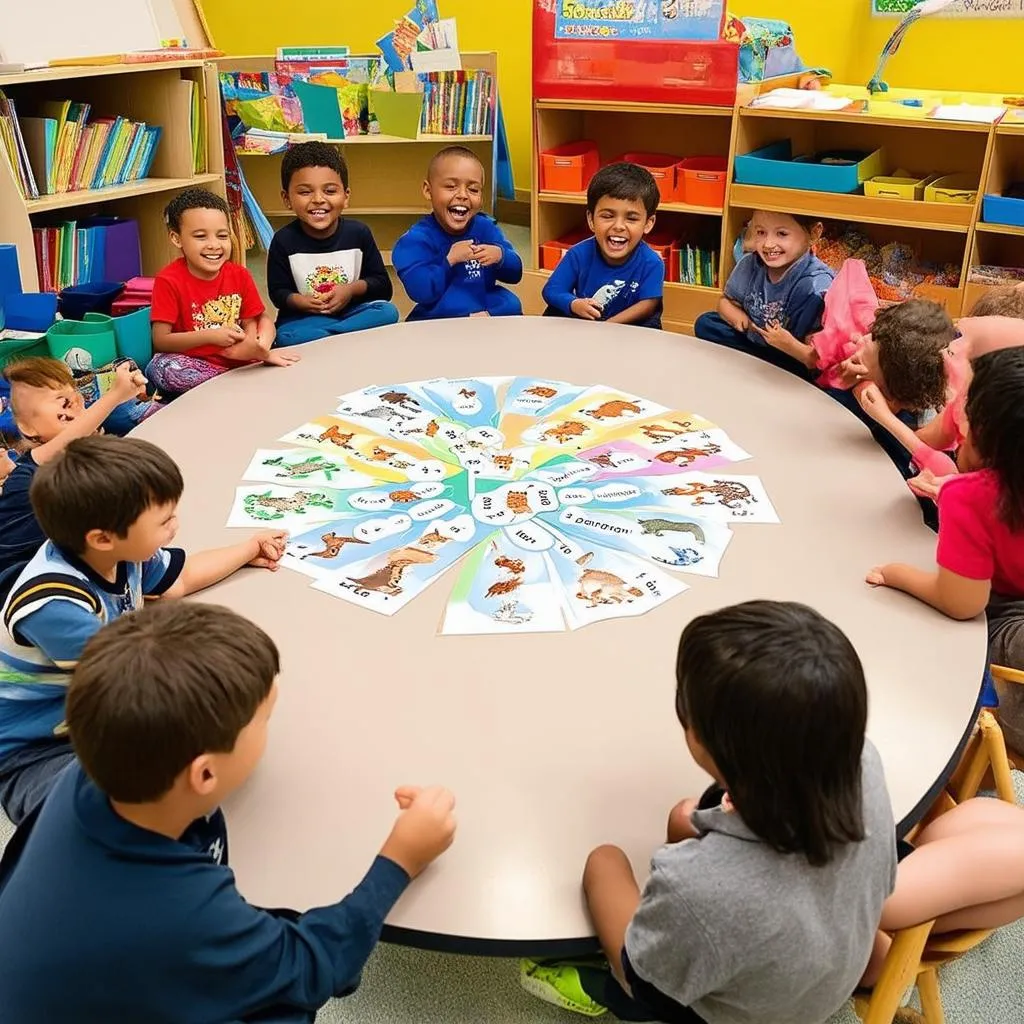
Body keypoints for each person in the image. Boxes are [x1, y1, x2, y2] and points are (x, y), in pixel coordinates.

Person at [0, 600, 458, 1023]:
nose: (270, 728)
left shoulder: (92, 773)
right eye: (263, 720)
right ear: (203, 774)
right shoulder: (181, 912)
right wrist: (402, 857)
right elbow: (317, 966)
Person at [522, 600, 897, 1024]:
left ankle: (604, 991)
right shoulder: (863, 759)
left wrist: (677, 912)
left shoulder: (700, 890)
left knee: (603, 861)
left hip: (741, 1009)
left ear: (698, 736)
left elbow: (652, 985)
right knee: (686, 816)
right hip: (829, 960)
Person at [0, 434, 286, 825]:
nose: (176, 526)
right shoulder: (54, 604)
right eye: (164, 520)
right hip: (36, 752)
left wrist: (250, 548)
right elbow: (133, 685)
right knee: (100, 816)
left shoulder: (119, 553)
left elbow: (180, 578)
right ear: (102, 537)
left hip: (99, 714)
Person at [868, 347, 1024, 755]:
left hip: (1007, 615)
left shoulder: (970, 496)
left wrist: (896, 573)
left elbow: (961, 602)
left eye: (967, 413)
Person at [0, 360, 148, 599]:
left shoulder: (88, 461)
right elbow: (65, 442)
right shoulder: (25, 476)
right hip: (22, 593)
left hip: (76, 574)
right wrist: (114, 395)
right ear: (27, 427)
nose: (76, 407)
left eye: (77, 400)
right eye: (63, 402)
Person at [147, 187, 299, 396]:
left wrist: (255, 347)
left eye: (222, 236)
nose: (214, 245)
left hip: (240, 358)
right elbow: (161, 340)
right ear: (176, 238)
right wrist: (210, 336)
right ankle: (229, 384)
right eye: (200, 236)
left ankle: (233, 381)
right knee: (161, 368)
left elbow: (255, 320)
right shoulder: (168, 280)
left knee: (275, 334)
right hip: (199, 364)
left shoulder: (239, 274)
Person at [267, 141, 400, 345]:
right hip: (305, 319)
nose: (318, 199)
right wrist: (302, 302)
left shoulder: (359, 233)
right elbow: (278, 293)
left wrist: (350, 290)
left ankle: (330, 336)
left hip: (351, 313)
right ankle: (346, 336)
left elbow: (383, 287)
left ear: (346, 197)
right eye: (305, 192)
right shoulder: (283, 240)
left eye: (330, 191)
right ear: (287, 198)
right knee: (285, 335)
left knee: (387, 312)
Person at [694, 211, 834, 375]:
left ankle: (760, 365)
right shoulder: (750, 263)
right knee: (706, 323)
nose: (768, 244)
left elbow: (815, 359)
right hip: (754, 343)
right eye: (761, 232)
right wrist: (736, 317)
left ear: (814, 233)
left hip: (791, 357)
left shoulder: (815, 285)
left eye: (781, 234)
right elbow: (724, 302)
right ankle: (755, 363)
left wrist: (790, 346)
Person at [393, 146, 523, 320]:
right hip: (440, 315)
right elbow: (421, 292)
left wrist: (500, 256)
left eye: (473, 189)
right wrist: (450, 260)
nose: (463, 195)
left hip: (482, 304)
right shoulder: (415, 240)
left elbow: (515, 273)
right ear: (427, 190)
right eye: (451, 186)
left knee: (510, 302)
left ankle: (478, 319)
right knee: (447, 306)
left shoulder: (486, 227)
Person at [541, 163, 665, 329]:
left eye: (632, 218)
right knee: (554, 311)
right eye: (607, 216)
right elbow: (552, 290)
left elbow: (648, 304)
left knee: (652, 325)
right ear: (591, 220)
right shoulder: (578, 254)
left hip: (629, 327)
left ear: (648, 224)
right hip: (586, 321)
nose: (619, 226)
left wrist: (608, 327)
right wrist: (574, 304)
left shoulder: (652, 262)